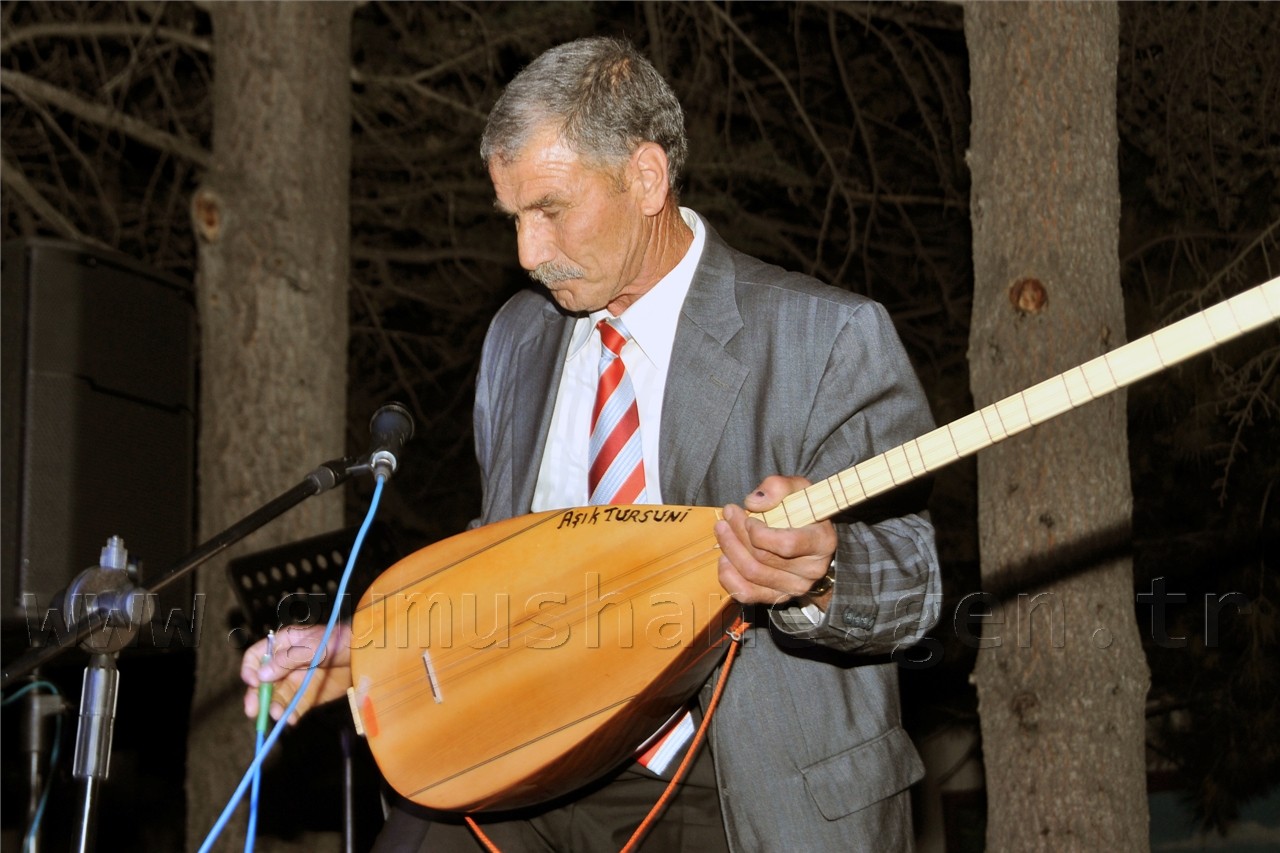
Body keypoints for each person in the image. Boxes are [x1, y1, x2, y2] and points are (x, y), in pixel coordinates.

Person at [242, 36, 941, 851]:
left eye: (550, 209)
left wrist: (820, 575)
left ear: (646, 177)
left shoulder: (826, 336)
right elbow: (505, 556)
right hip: (527, 754)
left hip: (735, 776)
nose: (527, 254)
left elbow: (917, 580)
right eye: (513, 218)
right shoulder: (517, 337)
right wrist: (373, 650)